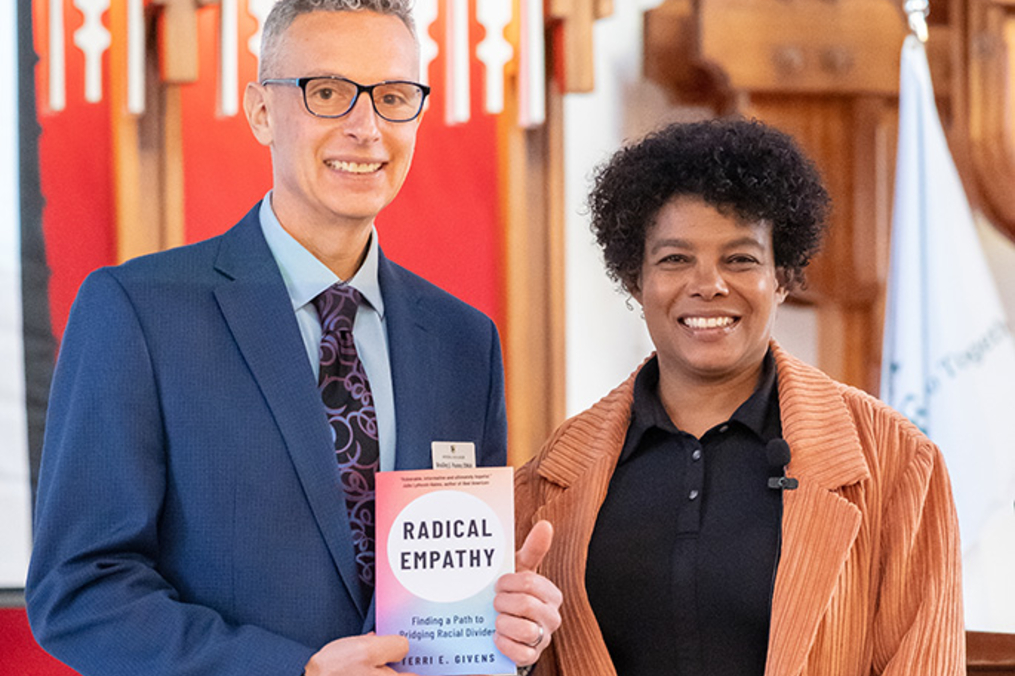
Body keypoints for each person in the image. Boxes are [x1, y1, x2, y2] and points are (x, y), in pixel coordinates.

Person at [26, 2, 561, 675]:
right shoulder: (139, 312)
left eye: (394, 97)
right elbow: (81, 589)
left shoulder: (463, 343)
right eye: (328, 93)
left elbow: (453, 589)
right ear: (260, 111)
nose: (366, 127)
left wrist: (505, 620)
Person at [514, 118, 964, 676]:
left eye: (740, 259)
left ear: (783, 276)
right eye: (675, 259)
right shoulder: (549, 477)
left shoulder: (898, 463)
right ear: (635, 280)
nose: (708, 284)